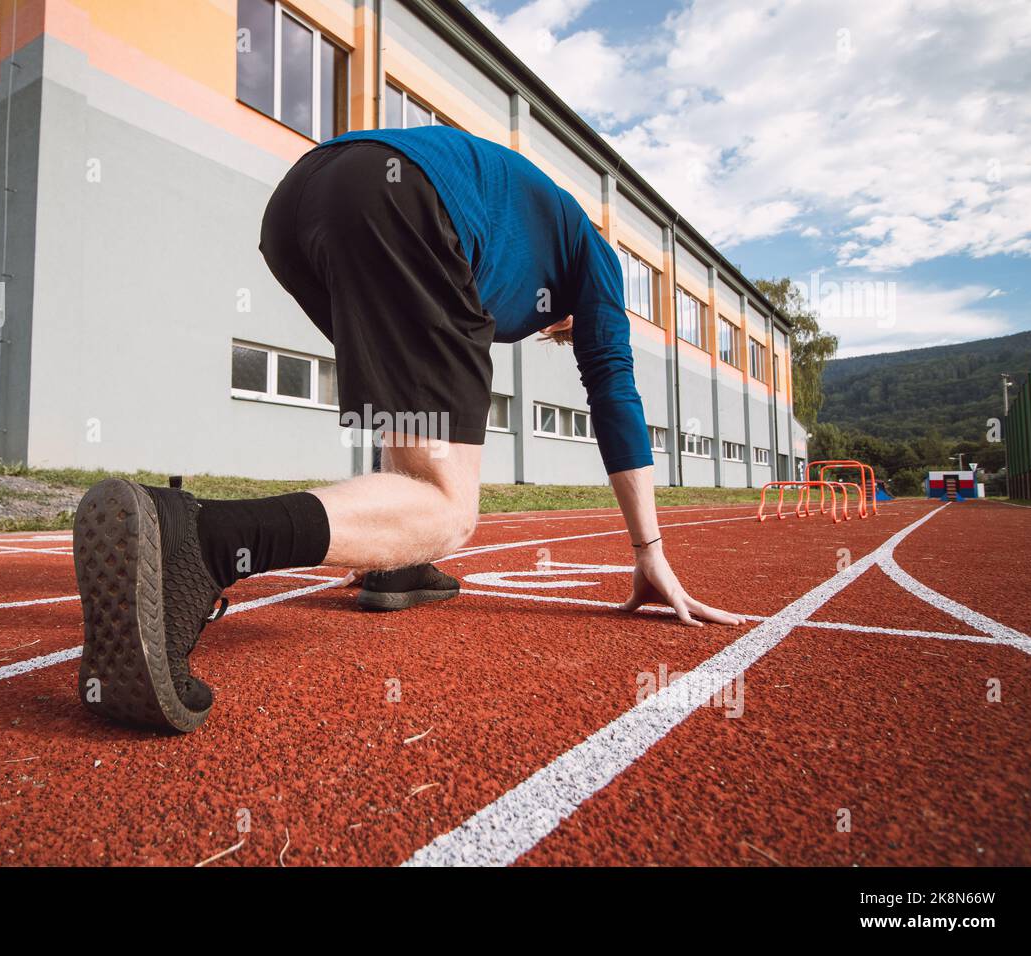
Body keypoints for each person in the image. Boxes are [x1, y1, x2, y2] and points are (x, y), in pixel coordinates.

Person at [71, 125, 741, 733]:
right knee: (452, 508)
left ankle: (397, 563)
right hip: (401, 200)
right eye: (567, 335)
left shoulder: (523, 243)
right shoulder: (597, 259)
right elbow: (614, 391)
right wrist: (648, 547)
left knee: (414, 424)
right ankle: (199, 540)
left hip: (303, 205)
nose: (561, 336)